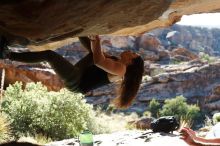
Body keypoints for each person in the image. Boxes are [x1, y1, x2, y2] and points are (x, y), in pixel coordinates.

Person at [0, 35, 144, 108]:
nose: (130, 51)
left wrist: (97, 39)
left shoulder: (121, 70)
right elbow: (95, 54)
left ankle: (7, 55)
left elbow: (98, 61)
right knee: (95, 51)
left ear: (131, 61)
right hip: (80, 73)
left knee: (49, 55)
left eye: (132, 53)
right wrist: (87, 36)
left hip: (77, 82)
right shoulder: (116, 63)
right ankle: (80, 31)